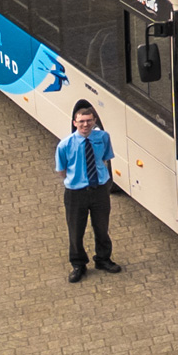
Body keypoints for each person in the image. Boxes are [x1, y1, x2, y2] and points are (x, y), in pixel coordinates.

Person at [56, 100, 120, 283]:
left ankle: (103, 259)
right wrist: (76, 180)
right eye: (81, 121)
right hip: (76, 193)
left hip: (99, 190)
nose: (85, 124)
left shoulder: (103, 137)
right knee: (76, 230)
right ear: (75, 123)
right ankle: (78, 264)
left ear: (94, 121)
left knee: (102, 227)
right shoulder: (65, 145)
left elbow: (106, 159)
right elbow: (62, 170)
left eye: (89, 121)